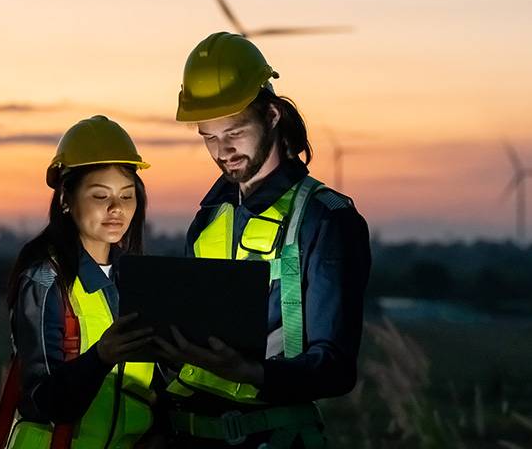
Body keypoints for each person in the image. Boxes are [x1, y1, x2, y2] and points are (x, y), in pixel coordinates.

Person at [154, 32, 372, 448]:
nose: (223, 150)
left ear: (272, 115)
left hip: (277, 437)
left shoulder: (326, 219)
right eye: (209, 137)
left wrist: (250, 372)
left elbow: (336, 369)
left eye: (235, 130)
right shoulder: (207, 220)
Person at [0, 115, 157, 449]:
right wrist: (100, 358)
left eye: (126, 197)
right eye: (99, 196)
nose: (116, 209)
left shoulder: (141, 281)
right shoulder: (45, 280)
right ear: (66, 199)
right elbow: (44, 398)